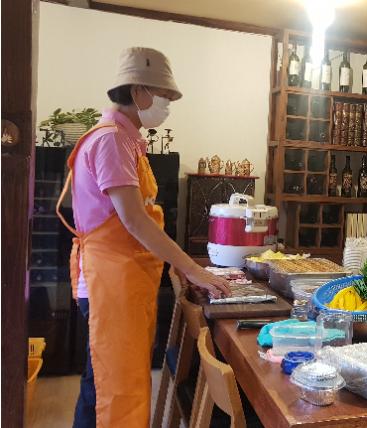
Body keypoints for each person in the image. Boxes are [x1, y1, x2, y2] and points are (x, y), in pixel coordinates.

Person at [56, 47, 231, 428]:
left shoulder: (126, 138)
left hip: (122, 279)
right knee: (111, 386)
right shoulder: (111, 141)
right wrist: (192, 268)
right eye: (164, 95)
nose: (167, 105)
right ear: (138, 92)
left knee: (101, 380)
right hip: (110, 281)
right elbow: (135, 220)